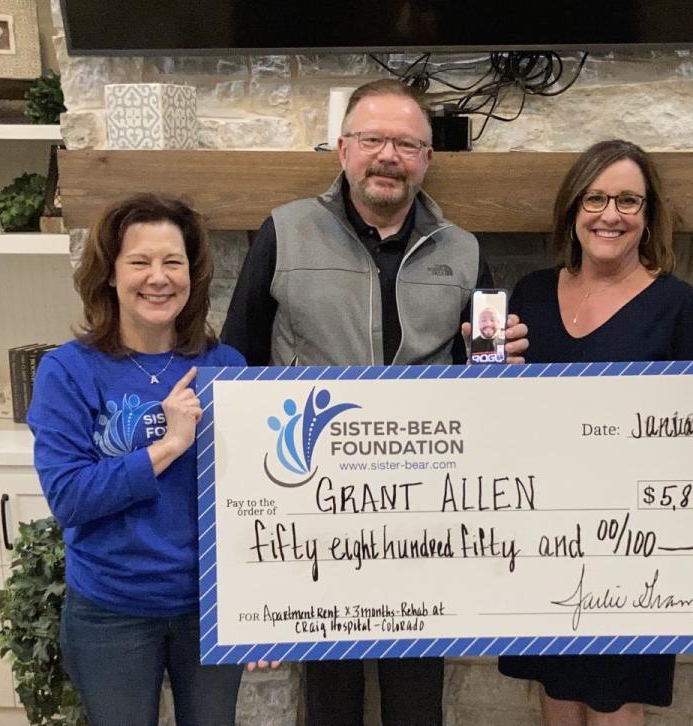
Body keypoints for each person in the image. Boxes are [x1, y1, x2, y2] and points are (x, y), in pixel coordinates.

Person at [221, 78, 528, 726]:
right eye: (373, 139)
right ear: (343, 149)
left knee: (417, 699)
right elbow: (237, 366)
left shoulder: (464, 250)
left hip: (425, 517)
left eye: (407, 143)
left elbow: (488, 385)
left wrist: (497, 361)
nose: (388, 155)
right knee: (330, 702)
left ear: (427, 158)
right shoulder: (283, 232)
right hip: (311, 512)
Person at [498, 139, 693, 726]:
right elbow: (497, 419)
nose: (610, 214)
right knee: (555, 690)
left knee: (614, 703)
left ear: (648, 217)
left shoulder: (680, 307)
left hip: (634, 552)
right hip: (541, 539)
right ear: (573, 210)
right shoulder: (528, 297)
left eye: (629, 200)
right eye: (595, 198)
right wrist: (494, 378)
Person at [27, 193, 246, 726]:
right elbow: (70, 498)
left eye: (173, 262)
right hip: (110, 610)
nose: (158, 278)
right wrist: (167, 446)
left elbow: (252, 496)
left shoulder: (226, 365)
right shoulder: (68, 371)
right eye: (139, 262)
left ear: (191, 275)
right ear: (109, 274)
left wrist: (254, 607)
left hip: (209, 608)